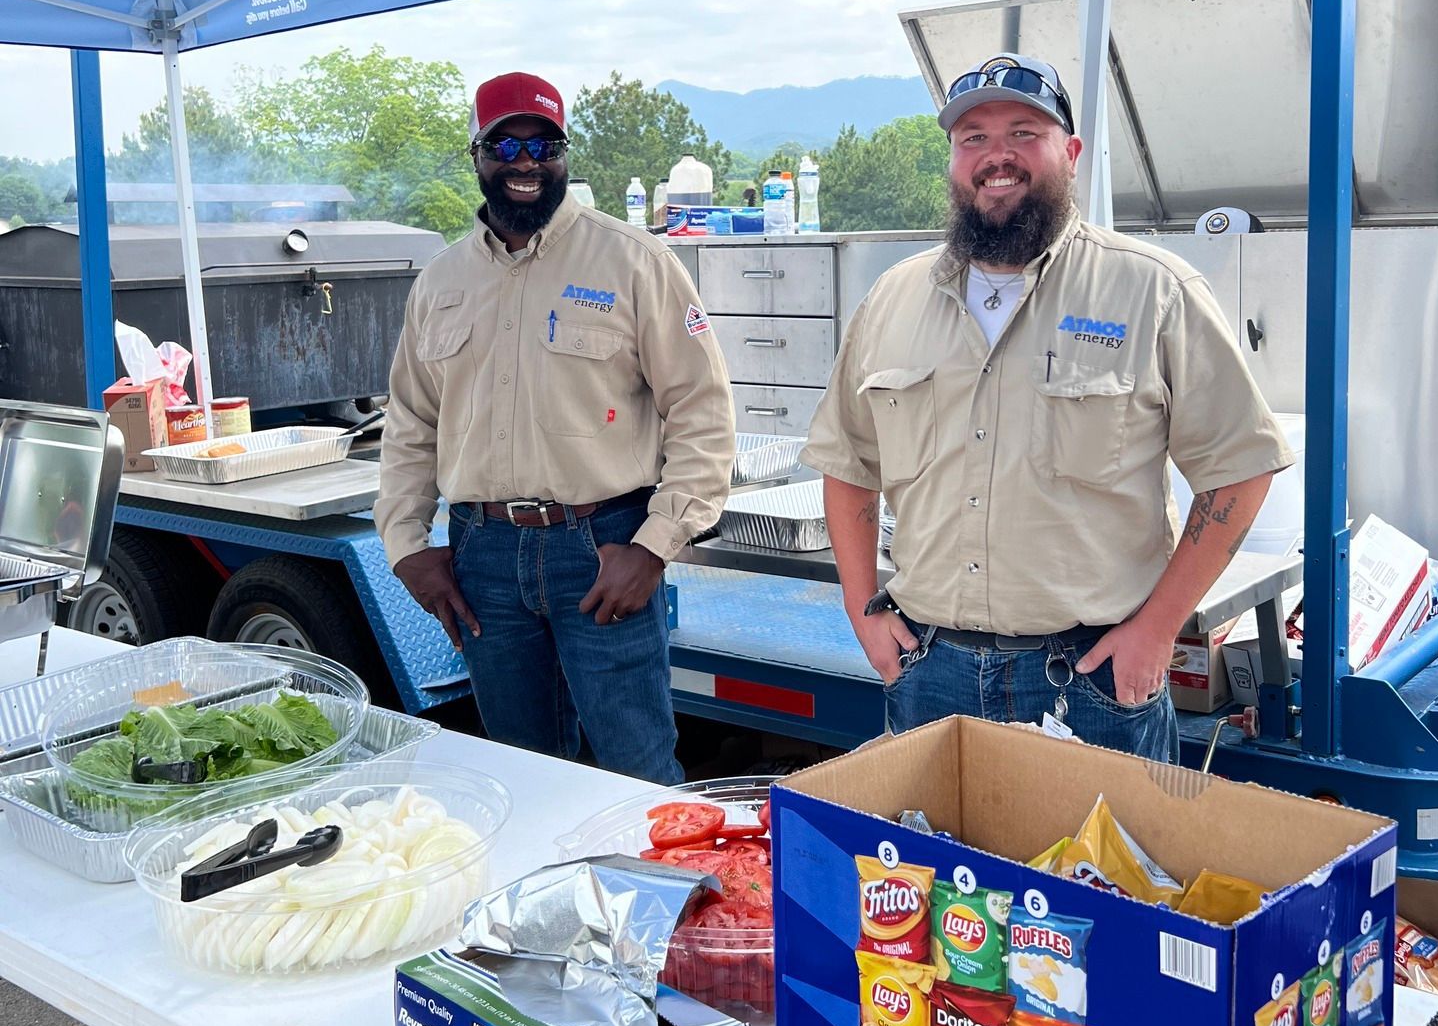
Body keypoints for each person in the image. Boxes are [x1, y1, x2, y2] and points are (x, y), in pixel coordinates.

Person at [803, 55, 1292, 761]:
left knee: (1102, 873)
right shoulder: (893, 298)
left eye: (1023, 132)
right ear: (952, 159)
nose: (996, 156)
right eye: (973, 138)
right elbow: (847, 460)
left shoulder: (1153, 291)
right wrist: (862, 610)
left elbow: (1242, 468)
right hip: (928, 673)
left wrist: (1159, 628)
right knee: (936, 874)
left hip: (1091, 682)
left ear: (1069, 152)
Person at [376, 70, 734, 782]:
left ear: (565, 155)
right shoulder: (441, 283)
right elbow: (411, 423)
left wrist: (655, 546)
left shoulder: (636, 262)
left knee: (637, 774)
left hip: (604, 551)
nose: (526, 164)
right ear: (476, 155)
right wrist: (405, 545)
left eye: (545, 145)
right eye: (505, 145)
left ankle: (662, 895)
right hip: (483, 561)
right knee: (522, 774)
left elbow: (702, 409)